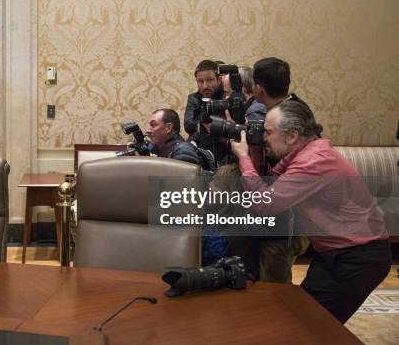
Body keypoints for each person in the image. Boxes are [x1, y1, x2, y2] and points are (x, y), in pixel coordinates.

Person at [230, 101, 390, 323]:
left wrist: (243, 158)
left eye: (268, 132)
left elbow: (266, 203)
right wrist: (256, 152)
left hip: (357, 258)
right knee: (302, 316)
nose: (263, 136)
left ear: (293, 135)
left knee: (308, 323)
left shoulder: (314, 160)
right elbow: (274, 179)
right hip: (337, 254)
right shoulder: (308, 152)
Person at [250, 57, 316, 283]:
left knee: (275, 287)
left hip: (286, 223)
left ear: (257, 87)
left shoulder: (288, 119)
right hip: (281, 217)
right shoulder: (296, 108)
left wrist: (247, 155)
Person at [146, 108, 225, 263]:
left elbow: (182, 196)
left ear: (168, 128)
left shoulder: (183, 150)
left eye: (153, 125)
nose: (148, 130)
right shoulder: (162, 149)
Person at [183, 60, 228, 165]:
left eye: (209, 80)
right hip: (199, 149)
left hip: (224, 150)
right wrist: (205, 122)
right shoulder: (194, 98)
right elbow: (188, 125)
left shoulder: (227, 98)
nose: (205, 86)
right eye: (200, 81)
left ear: (219, 79)